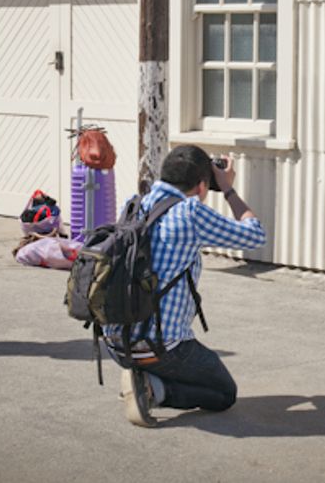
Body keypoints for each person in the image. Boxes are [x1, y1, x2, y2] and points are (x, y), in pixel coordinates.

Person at [104, 145, 266, 427]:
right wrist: (227, 189)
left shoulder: (133, 205)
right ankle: (153, 389)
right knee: (224, 393)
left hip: (116, 342)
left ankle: (142, 376)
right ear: (203, 186)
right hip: (161, 347)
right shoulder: (189, 213)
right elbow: (255, 235)